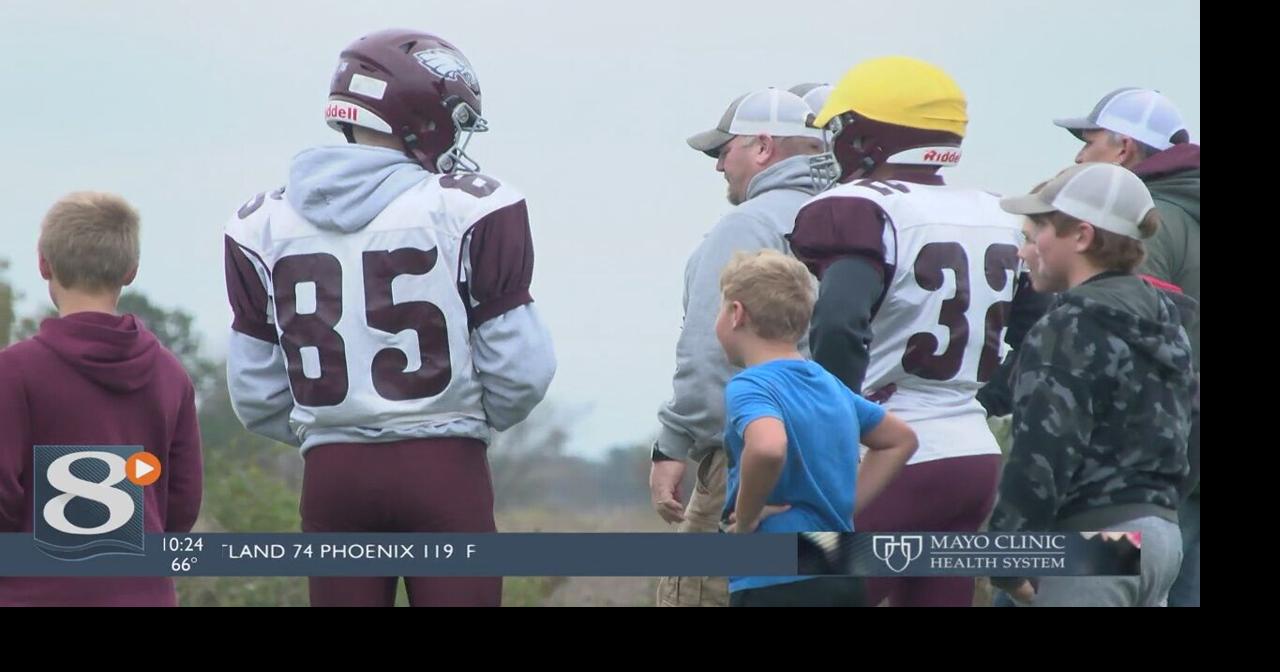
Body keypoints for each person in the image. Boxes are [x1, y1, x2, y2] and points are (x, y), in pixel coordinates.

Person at [222, 29, 556, 607]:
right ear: (420, 112)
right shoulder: (468, 206)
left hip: (332, 476)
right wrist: (456, 421)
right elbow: (522, 372)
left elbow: (255, 394)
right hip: (443, 470)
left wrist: (334, 428)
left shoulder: (260, 222)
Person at [789, 56, 1023, 607]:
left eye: (840, 126)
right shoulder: (997, 212)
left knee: (805, 595)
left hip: (892, 456)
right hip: (972, 455)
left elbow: (841, 323)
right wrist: (980, 398)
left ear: (867, 133)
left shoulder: (859, 207)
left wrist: (834, 432)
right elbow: (1044, 338)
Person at [651, 87, 826, 607]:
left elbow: (710, 348)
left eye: (723, 149)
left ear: (763, 147)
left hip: (749, 447)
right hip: (839, 450)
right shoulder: (855, 213)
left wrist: (676, 441)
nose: (719, 165)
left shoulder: (749, 224)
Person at [990, 163, 1192, 607]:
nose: (1024, 252)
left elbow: (1043, 450)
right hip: (1162, 536)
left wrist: (1004, 557)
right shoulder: (1167, 316)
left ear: (1081, 236)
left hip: (1092, 541)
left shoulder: (1069, 324)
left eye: (1034, 234)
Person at [0, 191, 203, 606]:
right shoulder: (171, 375)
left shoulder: (13, 373)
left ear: (43, 264)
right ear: (131, 271)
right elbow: (181, 506)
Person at [715, 250, 916, 607]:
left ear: (736, 314)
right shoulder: (829, 384)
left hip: (772, 580)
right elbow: (900, 439)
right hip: (840, 572)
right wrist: (844, 504)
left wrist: (745, 520)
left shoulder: (750, 386)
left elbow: (767, 447)